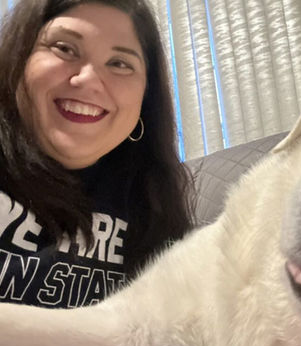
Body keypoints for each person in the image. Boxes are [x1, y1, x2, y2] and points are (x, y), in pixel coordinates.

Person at [0, 0, 194, 308]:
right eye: (64, 48)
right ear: (18, 58)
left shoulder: (152, 201)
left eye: (120, 63)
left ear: (146, 98)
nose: (88, 80)